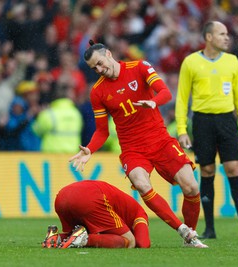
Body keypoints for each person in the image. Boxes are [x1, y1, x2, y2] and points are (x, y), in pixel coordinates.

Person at [69, 41, 208, 248]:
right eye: (94, 68)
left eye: (99, 63)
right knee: (142, 185)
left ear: (108, 53)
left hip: (160, 140)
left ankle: (191, 233)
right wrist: (90, 148)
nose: (99, 70)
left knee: (191, 186)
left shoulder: (139, 67)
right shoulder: (97, 92)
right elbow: (102, 131)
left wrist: (154, 102)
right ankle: (183, 231)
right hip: (132, 149)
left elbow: (166, 93)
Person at [175, 21, 238, 240]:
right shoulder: (191, 62)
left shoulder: (232, 62)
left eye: (227, 34)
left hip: (227, 121)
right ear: (208, 37)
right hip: (202, 122)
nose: (227, 38)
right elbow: (182, 99)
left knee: (232, 168)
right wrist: (182, 129)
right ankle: (209, 228)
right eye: (222, 34)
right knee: (207, 171)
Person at [42, 180, 150, 249]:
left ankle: (56, 237)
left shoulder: (122, 205)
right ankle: (85, 240)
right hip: (89, 198)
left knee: (77, 233)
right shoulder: (139, 214)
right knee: (129, 241)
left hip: (61, 197)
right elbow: (143, 244)